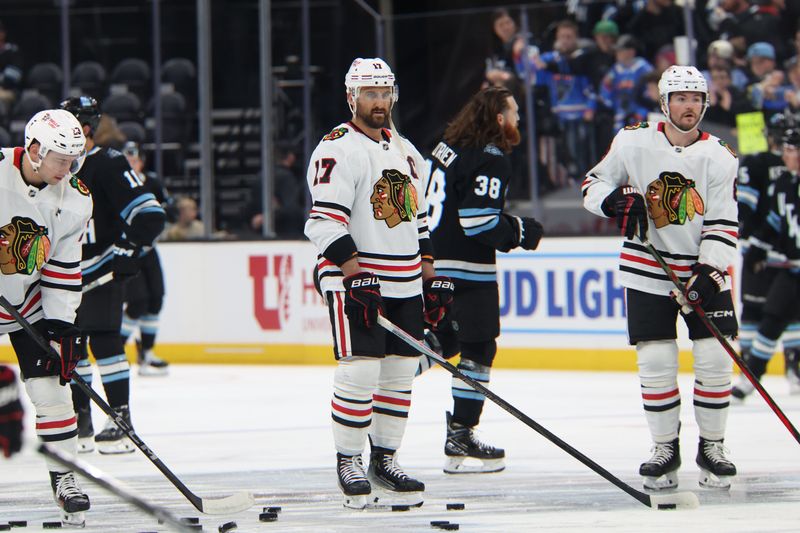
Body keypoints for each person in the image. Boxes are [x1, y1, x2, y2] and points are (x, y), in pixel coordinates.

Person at [582, 65, 740, 491]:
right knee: (656, 362)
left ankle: (713, 446)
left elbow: (724, 223)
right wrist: (615, 201)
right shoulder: (632, 140)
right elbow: (593, 184)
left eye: (695, 99)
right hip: (648, 269)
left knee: (714, 359)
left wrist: (709, 269)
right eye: (681, 98)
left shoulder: (720, 155)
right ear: (664, 102)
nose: (689, 106)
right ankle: (664, 448)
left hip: (702, 271)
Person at [304, 57, 452, 509]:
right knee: (360, 369)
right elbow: (323, 221)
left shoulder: (407, 151)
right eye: (370, 93)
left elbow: (418, 221)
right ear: (352, 98)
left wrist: (428, 277)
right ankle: (348, 459)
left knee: (399, 374)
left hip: (404, 281)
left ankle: (385, 459)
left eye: (385, 92)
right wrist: (353, 272)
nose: (379, 101)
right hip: (356, 280)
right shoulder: (336, 148)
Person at [421, 86, 543, 474]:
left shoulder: (446, 146)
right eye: (514, 112)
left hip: (434, 263)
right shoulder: (491, 159)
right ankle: (460, 435)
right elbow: (479, 223)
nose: (519, 119)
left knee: (449, 339)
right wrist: (521, 232)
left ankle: (392, 382)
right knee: (479, 348)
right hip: (466, 272)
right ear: (498, 119)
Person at [0, 109, 92, 526]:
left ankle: (65, 479)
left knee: (53, 390)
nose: (66, 168)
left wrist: (60, 326)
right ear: (34, 149)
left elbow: (61, 268)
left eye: (73, 160)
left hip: (29, 302)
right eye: (60, 158)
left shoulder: (75, 196)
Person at [60, 96, 166, 455]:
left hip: (100, 267)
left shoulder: (107, 163)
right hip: (64, 271)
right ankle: (81, 419)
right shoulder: (55, 166)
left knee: (105, 341)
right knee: (70, 346)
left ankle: (121, 420)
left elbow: (150, 216)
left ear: (86, 129)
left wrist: (127, 250)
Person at [735, 126, 800, 397]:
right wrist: (757, 249)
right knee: (772, 318)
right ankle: (751, 378)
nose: (785, 156)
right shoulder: (783, 183)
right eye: (784, 150)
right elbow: (773, 223)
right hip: (791, 267)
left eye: (790, 151)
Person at [119, 142, 171, 376]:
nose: (132, 163)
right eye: (127, 159)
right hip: (129, 250)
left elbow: (166, 210)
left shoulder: (152, 183)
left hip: (149, 250)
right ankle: (116, 349)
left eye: (135, 159)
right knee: (138, 301)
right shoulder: (117, 183)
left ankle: (146, 353)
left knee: (156, 299)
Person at [0, 365, 23, 458]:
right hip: (12, 412)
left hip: (12, 412)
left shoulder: (9, 373)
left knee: (15, 446)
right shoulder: (9, 372)